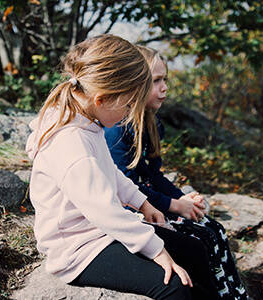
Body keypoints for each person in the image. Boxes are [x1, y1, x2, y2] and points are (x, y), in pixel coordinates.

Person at [26, 34, 222, 299]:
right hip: (79, 248)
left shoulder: (87, 121)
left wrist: (143, 203)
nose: (131, 112)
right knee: (174, 285)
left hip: (102, 231)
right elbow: (104, 210)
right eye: (129, 104)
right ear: (102, 99)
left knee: (194, 250)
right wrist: (156, 250)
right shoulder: (71, 144)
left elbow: (111, 174)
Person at [104, 45, 248, 299]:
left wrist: (182, 200)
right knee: (200, 241)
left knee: (215, 230)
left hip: (152, 203)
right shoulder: (117, 130)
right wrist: (173, 206)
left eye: (165, 80)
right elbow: (126, 188)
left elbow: (155, 176)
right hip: (133, 211)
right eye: (156, 81)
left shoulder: (152, 123)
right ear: (135, 84)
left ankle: (234, 295)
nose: (164, 88)